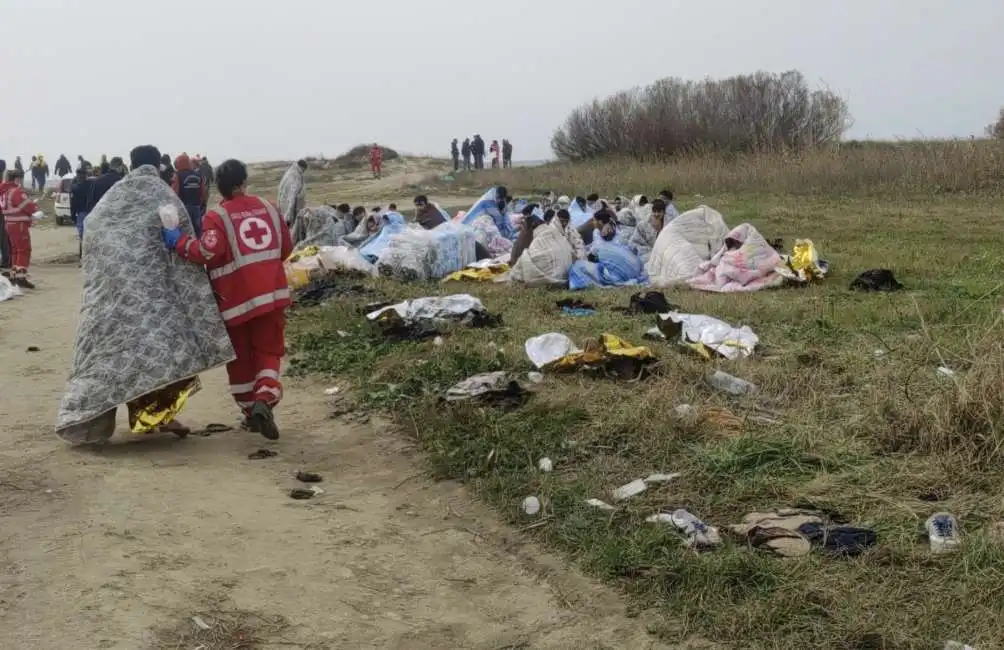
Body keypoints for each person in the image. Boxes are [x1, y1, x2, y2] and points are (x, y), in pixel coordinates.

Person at [163, 158, 293, 440]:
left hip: (235, 303)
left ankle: (250, 412)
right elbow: (286, 248)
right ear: (244, 181)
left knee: (241, 361)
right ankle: (264, 400)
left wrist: (178, 241)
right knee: (269, 353)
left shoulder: (217, 217)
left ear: (218, 188)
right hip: (271, 296)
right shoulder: (271, 208)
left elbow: (206, 252)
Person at [0, 168, 44, 288]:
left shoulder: (3, 191)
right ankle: (21, 277)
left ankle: (14, 275)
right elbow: (27, 205)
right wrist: (36, 210)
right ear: (17, 178)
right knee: (24, 250)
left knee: (14, 250)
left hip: (8, 223)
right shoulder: (16, 191)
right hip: (19, 225)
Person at [172, 153, 208, 236]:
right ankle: (199, 245)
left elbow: (175, 193)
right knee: (198, 229)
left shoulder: (178, 175)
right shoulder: (198, 174)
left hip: (183, 207)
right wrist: (200, 202)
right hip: (196, 206)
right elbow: (203, 192)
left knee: (185, 230)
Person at [629, 198, 667, 264]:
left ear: (664, 212)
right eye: (654, 211)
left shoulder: (668, 226)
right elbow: (633, 243)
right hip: (645, 257)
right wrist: (650, 252)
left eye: (659, 212)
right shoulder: (643, 225)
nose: (656, 214)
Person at [70, 168, 93, 261]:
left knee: (82, 236)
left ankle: (82, 257)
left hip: (81, 213)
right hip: (91, 212)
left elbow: (73, 203)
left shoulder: (76, 188)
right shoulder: (91, 185)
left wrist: (72, 215)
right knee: (90, 235)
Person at [277, 159, 307, 228]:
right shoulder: (295, 177)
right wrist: (288, 215)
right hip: (291, 210)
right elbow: (291, 197)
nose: (304, 172)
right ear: (302, 167)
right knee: (291, 230)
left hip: (284, 206)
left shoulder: (290, 173)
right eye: (304, 170)